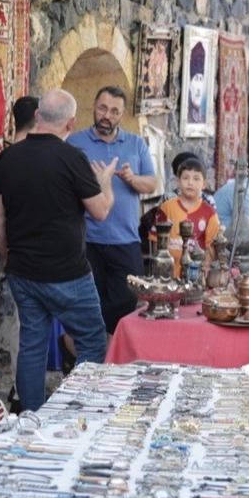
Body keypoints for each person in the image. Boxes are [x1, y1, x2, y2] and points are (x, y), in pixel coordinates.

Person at [0, 89, 117, 411]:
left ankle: (31, 417)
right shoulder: (71, 158)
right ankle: (82, 412)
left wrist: (6, 256)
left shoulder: (5, 158)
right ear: (71, 123)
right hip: (67, 274)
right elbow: (101, 211)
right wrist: (104, 181)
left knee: (32, 345)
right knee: (91, 339)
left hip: (23, 271)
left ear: (37, 117)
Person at [67, 86, 158, 336]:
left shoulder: (135, 143)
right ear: (94, 107)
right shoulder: (74, 143)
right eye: (103, 108)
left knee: (127, 300)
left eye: (114, 111)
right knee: (87, 302)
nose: (107, 115)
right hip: (87, 239)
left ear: (123, 114)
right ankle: (86, 352)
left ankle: (88, 347)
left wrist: (131, 178)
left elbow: (151, 183)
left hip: (125, 238)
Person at [151, 156, 220, 278]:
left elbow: (211, 249)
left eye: (196, 179)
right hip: (168, 276)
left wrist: (203, 272)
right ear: (178, 181)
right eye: (185, 178)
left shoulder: (210, 213)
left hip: (195, 277)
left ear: (204, 184)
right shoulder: (166, 208)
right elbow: (156, 240)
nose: (190, 183)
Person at [186, 41, 207, 124]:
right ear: (190, 84)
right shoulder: (187, 115)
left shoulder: (203, 117)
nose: (198, 88)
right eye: (196, 79)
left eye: (201, 79)